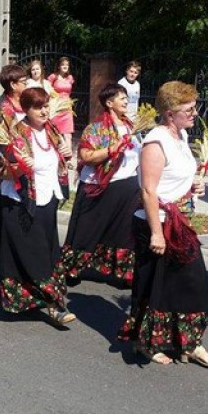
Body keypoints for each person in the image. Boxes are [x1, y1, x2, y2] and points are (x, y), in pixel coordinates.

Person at [118, 81, 208, 368]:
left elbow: (174, 178)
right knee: (154, 285)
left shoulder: (181, 136)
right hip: (157, 224)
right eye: (189, 109)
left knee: (193, 284)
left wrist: (193, 186)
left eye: (194, 107)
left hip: (179, 222)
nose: (195, 113)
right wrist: (156, 233)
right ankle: (145, 342)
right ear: (169, 113)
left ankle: (189, 342)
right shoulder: (155, 142)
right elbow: (149, 191)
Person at [0, 87, 76, 325]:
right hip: (21, 203)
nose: (44, 111)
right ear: (26, 109)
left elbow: (57, 163)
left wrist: (65, 155)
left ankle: (39, 298)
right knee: (33, 253)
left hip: (47, 198)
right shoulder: (14, 133)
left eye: (46, 106)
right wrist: (18, 167)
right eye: (38, 107)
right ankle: (53, 304)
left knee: (46, 251)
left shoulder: (52, 130)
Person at [62, 84, 141, 288]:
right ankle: (73, 268)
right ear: (109, 103)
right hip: (100, 186)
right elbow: (86, 157)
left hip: (128, 186)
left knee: (123, 231)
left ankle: (122, 272)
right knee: (88, 230)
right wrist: (113, 149)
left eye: (126, 97)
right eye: (121, 98)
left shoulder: (132, 126)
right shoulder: (96, 128)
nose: (126, 101)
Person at [0, 64, 29, 263]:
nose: (27, 84)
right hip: (4, 164)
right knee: (2, 207)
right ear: (13, 85)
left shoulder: (24, 102)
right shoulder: (3, 108)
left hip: (22, 162)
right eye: (23, 82)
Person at [47, 56, 76, 146]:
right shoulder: (53, 77)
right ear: (59, 66)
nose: (65, 66)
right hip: (56, 106)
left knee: (68, 134)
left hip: (67, 106)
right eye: (63, 64)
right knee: (55, 132)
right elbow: (47, 89)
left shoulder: (70, 78)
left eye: (67, 65)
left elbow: (70, 92)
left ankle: (69, 153)